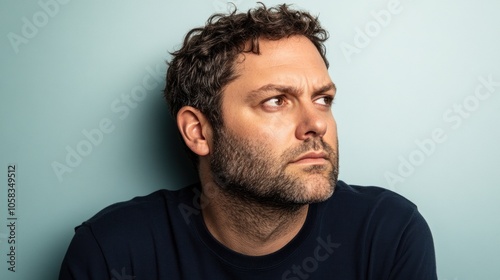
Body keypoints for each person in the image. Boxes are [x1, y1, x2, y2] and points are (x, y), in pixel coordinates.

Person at [59, 3, 437, 279]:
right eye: (276, 100)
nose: (316, 125)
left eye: (322, 99)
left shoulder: (387, 233)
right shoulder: (113, 252)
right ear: (199, 131)